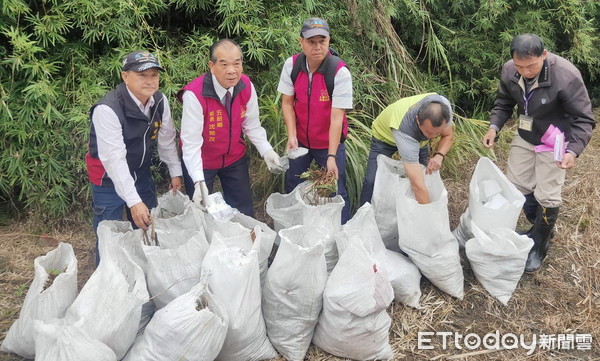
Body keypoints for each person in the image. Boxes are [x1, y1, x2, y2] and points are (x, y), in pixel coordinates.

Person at [482, 33, 595, 272]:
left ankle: (540, 244)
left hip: (555, 140)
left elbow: (584, 119)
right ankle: (536, 227)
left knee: (548, 193)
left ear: (544, 55)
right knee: (516, 185)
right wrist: (494, 127)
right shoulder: (509, 70)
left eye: (531, 65)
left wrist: (572, 151)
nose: (525, 71)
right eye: (520, 66)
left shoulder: (565, 76)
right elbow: (503, 102)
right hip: (527, 134)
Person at [86, 50, 183, 265]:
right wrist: (133, 201)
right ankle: (106, 276)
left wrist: (175, 172)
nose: (149, 81)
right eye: (142, 75)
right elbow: (114, 161)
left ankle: (145, 271)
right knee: (108, 232)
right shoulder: (107, 109)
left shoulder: (159, 100)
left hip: (140, 172)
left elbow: (166, 140)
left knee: (146, 226)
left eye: (154, 75)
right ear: (125, 76)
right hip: (107, 179)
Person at [179, 39, 283, 217]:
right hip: (202, 161)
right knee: (201, 213)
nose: (231, 71)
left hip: (234, 158)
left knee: (243, 210)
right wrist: (197, 180)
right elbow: (190, 143)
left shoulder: (246, 86)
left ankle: (248, 243)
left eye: (237, 63)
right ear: (211, 66)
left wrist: (267, 151)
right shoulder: (194, 94)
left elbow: (252, 125)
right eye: (224, 64)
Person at [278, 17, 353, 223]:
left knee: (335, 190)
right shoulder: (292, 65)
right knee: (293, 185)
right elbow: (287, 103)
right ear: (301, 41)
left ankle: (340, 233)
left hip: (329, 143)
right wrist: (292, 135)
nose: (317, 47)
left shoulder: (339, 72)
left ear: (329, 41)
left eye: (322, 41)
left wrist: (331, 156)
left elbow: (337, 118)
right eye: (311, 41)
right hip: (300, 141)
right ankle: (294, 230)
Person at [360, 93, 454, 206]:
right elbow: (417, 184)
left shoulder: (444, 109)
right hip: (385, 138)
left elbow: (448, 136)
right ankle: (364, 215)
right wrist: (429, 214)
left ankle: (411, 213)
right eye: (429, 132)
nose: (433, 137)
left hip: (419, 141)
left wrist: (439, 155)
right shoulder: (405, 129)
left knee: (425, 176)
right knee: (372, 180)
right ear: (418, 120)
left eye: (437, 132)